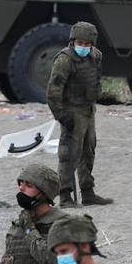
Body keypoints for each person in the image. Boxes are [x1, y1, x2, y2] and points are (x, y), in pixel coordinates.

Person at [47, 22, 112, 208]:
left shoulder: (96, 56)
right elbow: (53, 91)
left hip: (88, 110)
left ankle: (87, 192)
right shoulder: (64, 60)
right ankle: (65, 195)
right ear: (73, 41)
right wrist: (61, 115)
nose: (83, 47)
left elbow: (96, 79)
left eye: (87, 44)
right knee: (69, 154)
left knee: (88, 152)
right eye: (80, 43)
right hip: (71, 111)